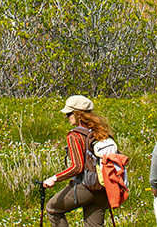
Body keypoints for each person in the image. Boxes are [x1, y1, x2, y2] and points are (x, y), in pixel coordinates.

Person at [42, 95, 112, 227]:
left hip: (86, 186)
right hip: (103, 188)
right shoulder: (101, 132)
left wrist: (54, 178)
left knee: (52, 209)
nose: (67, 117)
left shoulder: (75, 135)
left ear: (78, 114)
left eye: (69, 114)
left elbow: (77, 167)